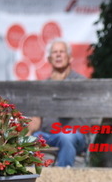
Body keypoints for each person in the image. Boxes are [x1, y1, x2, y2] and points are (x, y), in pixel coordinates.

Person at [28, 39, 88, 167]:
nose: (58, 55)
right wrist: (27, 133)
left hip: (74, 134)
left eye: (62, 52)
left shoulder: (80, 82)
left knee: (66, 137)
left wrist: (59, 86)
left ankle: (63, 175)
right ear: (49, 59)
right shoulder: (43, 86)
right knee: (27, 139)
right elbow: (36, 119)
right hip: (48, 135)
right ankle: (30, 176)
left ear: (70, 58)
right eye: (55, 52)